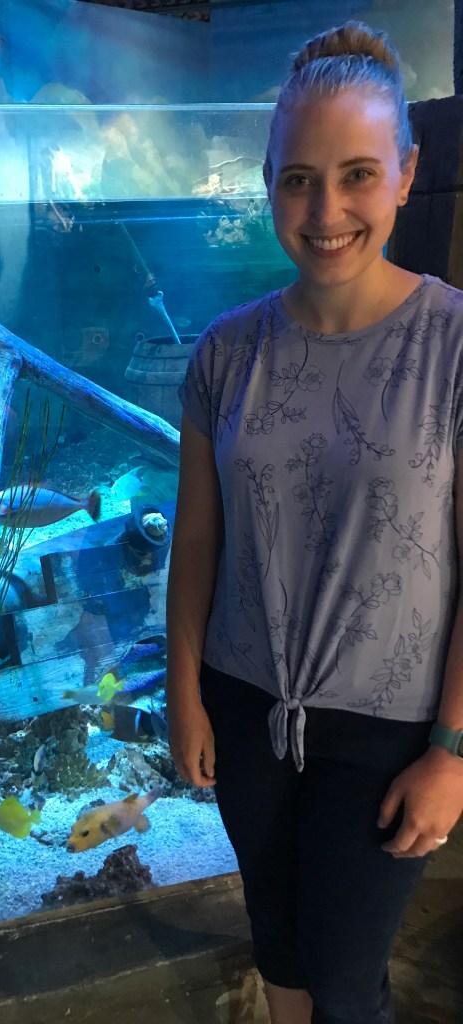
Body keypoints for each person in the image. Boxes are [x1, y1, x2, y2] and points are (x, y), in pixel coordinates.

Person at [166, 21, 463, 1024]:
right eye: (299, 179)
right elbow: (196, 543)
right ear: (267, 183)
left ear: (406, 175)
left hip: (391, 729)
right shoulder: (223, 353)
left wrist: (453, 750)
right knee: (282, 953)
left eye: (357, 175)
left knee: (345, 978)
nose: (326, 210)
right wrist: (184, 692)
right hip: (243, 705)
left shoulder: (454, 346)